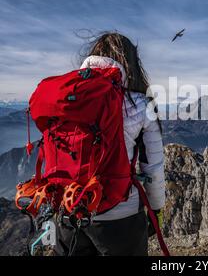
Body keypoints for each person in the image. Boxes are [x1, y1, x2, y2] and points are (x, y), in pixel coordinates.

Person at [54, 32, 165, 256]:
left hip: (70, 210)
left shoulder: (66, 99)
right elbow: (152, 167)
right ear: (132, 64)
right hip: (120, 217)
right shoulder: (141, 104)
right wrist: (156, 209)